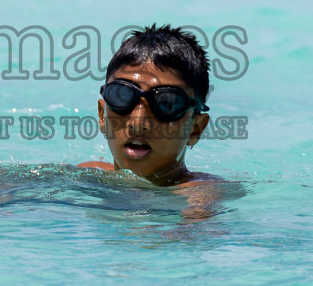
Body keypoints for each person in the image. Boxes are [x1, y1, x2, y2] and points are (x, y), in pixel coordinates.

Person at [78, 25, 224, 218]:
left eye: (167, 102)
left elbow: (196, 232)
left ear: (195, 129)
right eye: (122, 96)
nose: (138, 122)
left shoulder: (201, 192)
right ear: (102, 116)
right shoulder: (88, 174)